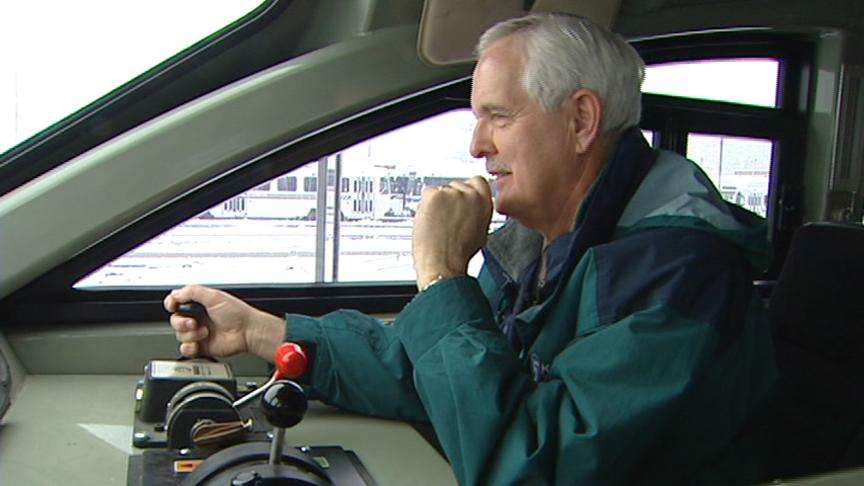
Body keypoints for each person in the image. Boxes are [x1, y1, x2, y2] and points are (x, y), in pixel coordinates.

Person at [165, 13, 775, 485]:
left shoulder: (677, 275)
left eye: (497, 116)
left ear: (582, 120)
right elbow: (427, 368)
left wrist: (441, 275)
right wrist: (262, 332)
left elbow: (532, 463)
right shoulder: (540, 240)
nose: (476, 145)